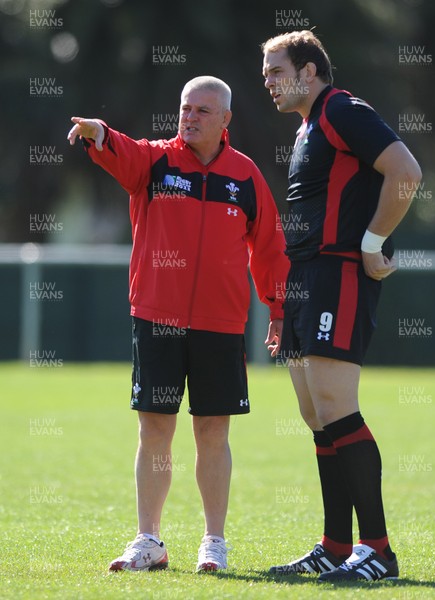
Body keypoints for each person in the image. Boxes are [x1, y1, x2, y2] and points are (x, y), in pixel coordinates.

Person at [67, 76, 289, 572]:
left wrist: (278, 309)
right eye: (185, 108)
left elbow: (270, 248)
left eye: (203, 111)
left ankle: (214, 541)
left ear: (226, 120)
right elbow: (120, 150)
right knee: (155, 430)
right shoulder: (157, 161)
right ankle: (149, 539)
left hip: (222, 324)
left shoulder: (246, 177)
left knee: (213, 431)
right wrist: (98, 131)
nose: (189, 117)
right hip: (156, 319)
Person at [261, 31, 421, 582]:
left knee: (336, 406)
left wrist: (374, 242)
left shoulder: (340, 109)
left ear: (309, 71)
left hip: (339, 274)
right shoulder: (306, 126)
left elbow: (407, 172)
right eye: (265, 73)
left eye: (277, 71)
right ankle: (335, 545)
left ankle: (378, 550)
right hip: (306, 279)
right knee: (315, 414)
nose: (268, 81)